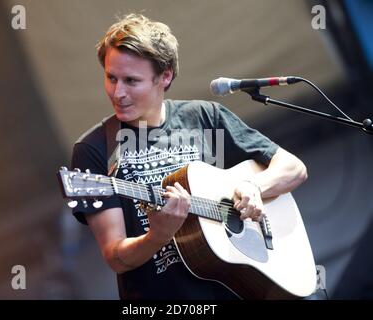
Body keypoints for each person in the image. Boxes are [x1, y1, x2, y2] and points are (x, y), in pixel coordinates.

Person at [71, 13, 308, 300]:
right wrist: (157, 235)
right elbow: (116, 257)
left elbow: (294, 168)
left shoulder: (205, 117)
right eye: (111, 78)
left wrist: (255, 188)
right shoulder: (95, 149)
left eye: (131, 81)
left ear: (165, 75)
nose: (117, 92)